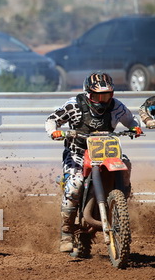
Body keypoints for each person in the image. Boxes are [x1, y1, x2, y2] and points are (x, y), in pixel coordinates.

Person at [45, 71, 142, 253]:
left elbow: (130, 120)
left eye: (106, 95)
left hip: (107, 151)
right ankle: (66, 232)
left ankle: (122, 193)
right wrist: (54, 131)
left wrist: (135, 128)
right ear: (88, 94)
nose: (102, 100)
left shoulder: (116, 106)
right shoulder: (74, 105)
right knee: (75, 186)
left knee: (125, 163)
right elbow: (52, 120)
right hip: (77, 153)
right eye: (98, 96)